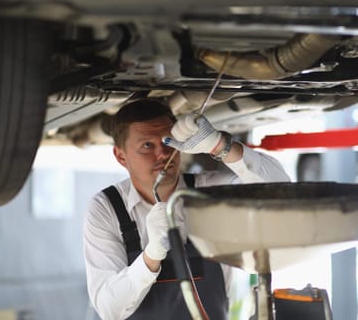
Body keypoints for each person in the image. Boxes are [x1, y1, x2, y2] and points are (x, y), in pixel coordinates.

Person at [83, 98, 290, 320]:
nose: (162, 154)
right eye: (147, 146)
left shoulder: (209, 192)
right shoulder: (107, 209)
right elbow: (109, 309)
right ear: (121, 156)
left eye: (166, 141)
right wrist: (150, 257)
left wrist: (220, 145)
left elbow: (282, 195)